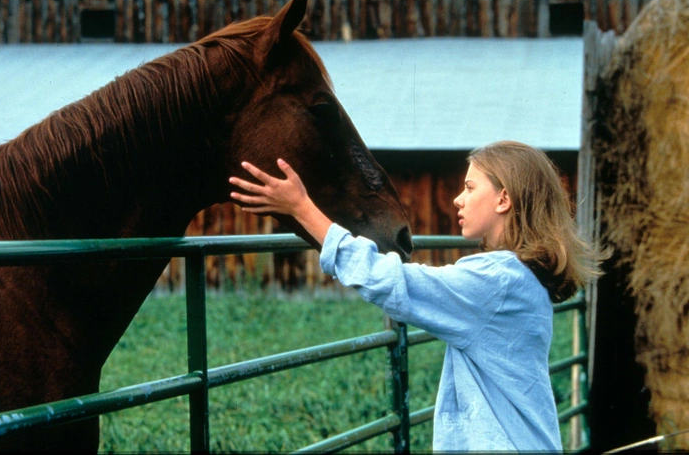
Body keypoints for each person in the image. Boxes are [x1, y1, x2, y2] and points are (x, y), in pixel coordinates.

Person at [229, 140, 603, 452]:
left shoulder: (497, 281)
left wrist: (302, 209)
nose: (457, 199)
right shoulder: (517, 278)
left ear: (504, 199)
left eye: (470, 188)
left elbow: (390, 282)